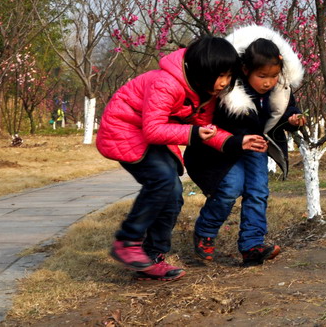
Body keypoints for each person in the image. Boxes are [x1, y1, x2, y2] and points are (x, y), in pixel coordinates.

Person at [96, 35, 265, 281]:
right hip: (125, 129)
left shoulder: (203, 92)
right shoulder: (167, 83)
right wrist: (194, 133)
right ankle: (127, 242)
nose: (224, 83)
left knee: (174, 194)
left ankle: (151, 258)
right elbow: (153, 129)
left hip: (152, 134)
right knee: (163, 180)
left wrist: (235, 141)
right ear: (201, 70)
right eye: (220, 76)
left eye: (229, 76)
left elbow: (205, 128)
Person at [185, 25, 305, 266]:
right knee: (230, 189)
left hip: (257, 148)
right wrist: (238, 141)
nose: (268, 82)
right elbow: (215, 124)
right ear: (245, 69)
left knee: (258, 192)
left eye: (273, 76)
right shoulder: (229, 91)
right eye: (262, 76)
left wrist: (294, 119)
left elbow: (284, 111)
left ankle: (252, 245)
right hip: (224, 150)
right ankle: (205, 232)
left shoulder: (280, 89)